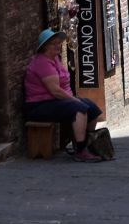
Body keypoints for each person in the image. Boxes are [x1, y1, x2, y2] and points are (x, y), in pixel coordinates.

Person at [24, 28, 103, 163]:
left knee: (93, 109)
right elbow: (55, 91)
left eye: (59, 43)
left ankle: (86, 143)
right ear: (45, 47)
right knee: (79, 109)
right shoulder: (42, 63)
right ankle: (81, 151)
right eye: (53, 44)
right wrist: (74, 100)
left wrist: (75, 99)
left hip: (55, 101)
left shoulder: (55, 59)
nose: (58, 46)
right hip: (38, 105)